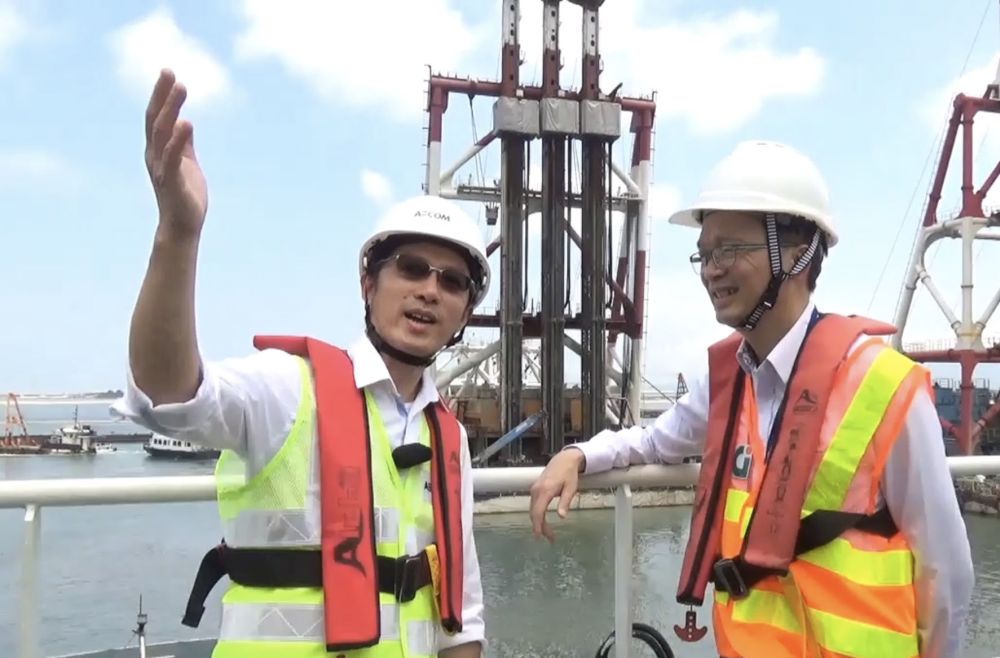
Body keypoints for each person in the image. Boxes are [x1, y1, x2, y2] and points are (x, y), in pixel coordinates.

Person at [528, 140, 975, 658]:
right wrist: (579, 454)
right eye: (706, 252)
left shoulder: (883, 383)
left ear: (798, 251)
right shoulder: (728, 382)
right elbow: (653, 441)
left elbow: (945, 567)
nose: (711, 269)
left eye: (731, 249)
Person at [111, 68, 487, 657]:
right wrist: (178, 235)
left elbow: (461, 613)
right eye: (411, 269)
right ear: (368, 282)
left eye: (453, 282)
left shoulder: (450, 439)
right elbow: (167, 395)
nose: (430, 291)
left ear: (465, 309)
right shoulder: (290, 390)